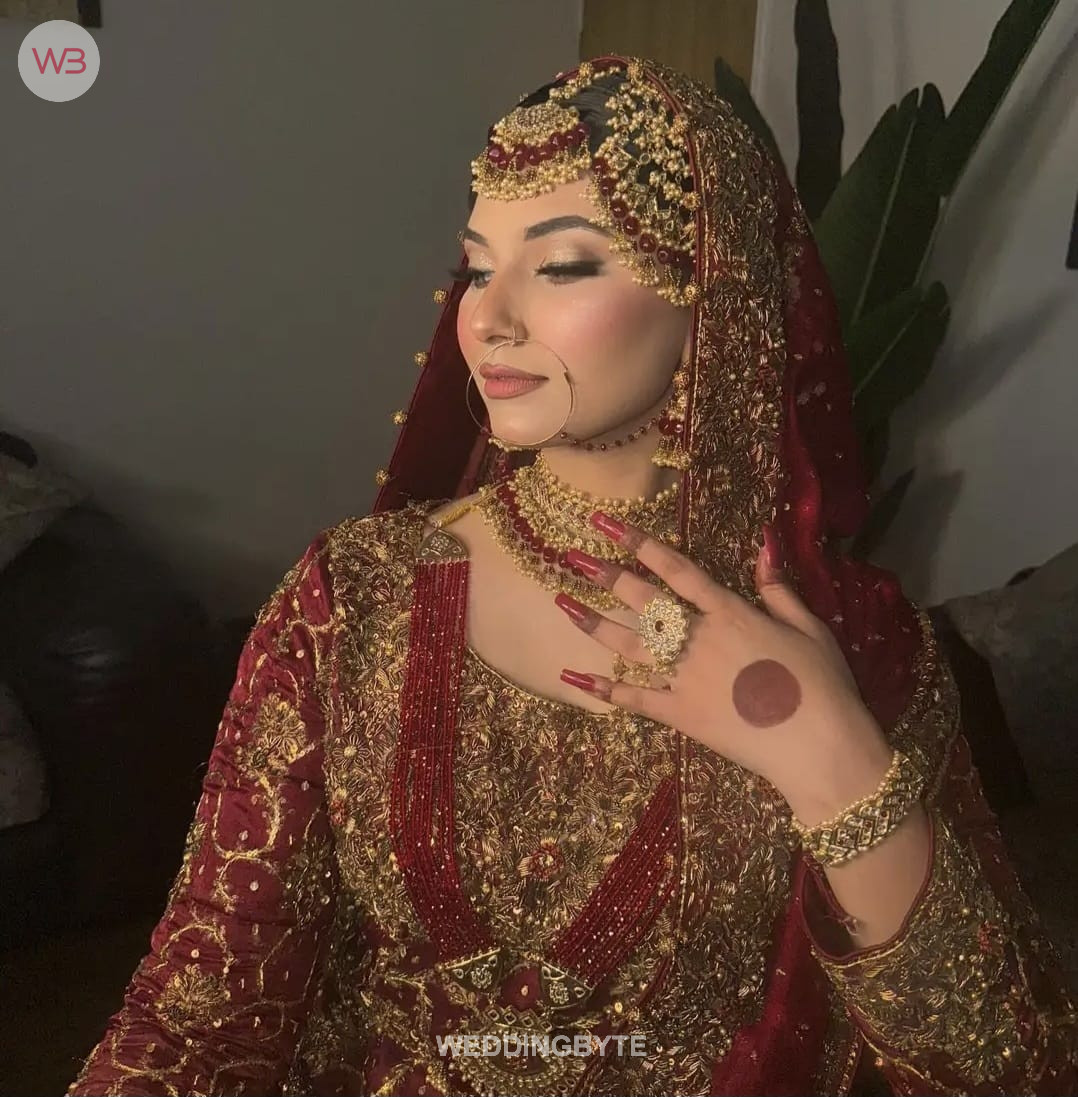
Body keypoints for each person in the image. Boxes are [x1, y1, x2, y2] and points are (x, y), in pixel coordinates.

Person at [68, 56, 1076, 1097]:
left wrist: (831, 763)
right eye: (476, 266)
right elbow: (201, 1012)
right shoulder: (353, 600)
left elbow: (1003, 1065)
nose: (485, 318)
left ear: (714, 291)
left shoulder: (856, 638)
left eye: (560, 266)